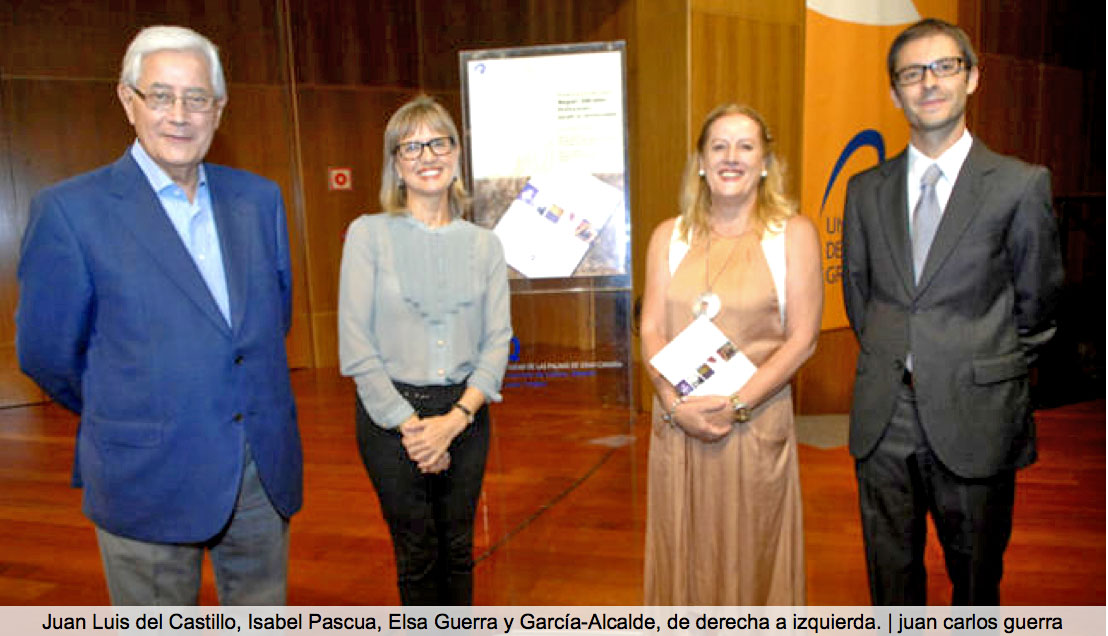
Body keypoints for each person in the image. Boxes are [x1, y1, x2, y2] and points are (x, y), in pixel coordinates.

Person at [16, 25, 302, 605]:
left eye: (196, 98)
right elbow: (47, 355)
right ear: (128, 101)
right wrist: (133, 409)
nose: (179, 114)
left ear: (218, 110)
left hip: (257, 471)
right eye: (161, 95)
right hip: (144, 475)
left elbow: (271, 324)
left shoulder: (260, 199)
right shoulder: (70, 212)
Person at [842, 18, 1064, 605]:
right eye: (912, 73)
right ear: (895, 92)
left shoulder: (1019, 185)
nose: (929, 83)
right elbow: (861, 300)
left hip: (977, 412)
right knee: (890, 581)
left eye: (945, 67)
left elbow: (1038, 308)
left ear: (972, 79)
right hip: (884, 414)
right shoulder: (865, 190)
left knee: (975, 579)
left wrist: (976, 365)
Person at [641, 103, 822, 604]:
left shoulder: (792, 234)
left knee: (753, 556)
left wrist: (736, 405)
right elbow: (651, 327)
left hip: (752, 424)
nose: (731, 157)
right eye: (718, 146)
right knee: (682, 550)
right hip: (678, 425)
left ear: (765, 162)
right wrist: (676, 405)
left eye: (745, 146)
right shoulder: (668, 237)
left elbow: (803, 338)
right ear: (700, 161)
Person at [338, 95, 511, 605]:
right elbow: (354, 341)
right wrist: (413, 429)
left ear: (456, 153)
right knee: (416, 553)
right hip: (389, 419)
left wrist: (455, 420)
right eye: (410, 146)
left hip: (466, 414)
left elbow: (498, 340)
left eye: (438, 141)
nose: (426, 155)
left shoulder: (485, 245)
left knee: (458, 548)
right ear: (395, 163)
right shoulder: (367, 234)